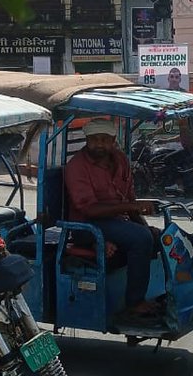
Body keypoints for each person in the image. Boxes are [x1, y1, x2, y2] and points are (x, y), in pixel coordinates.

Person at [64, 119, 161, 316]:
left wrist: (142, 223)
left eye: (104, 140)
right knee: (141, 238)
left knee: (158, 237)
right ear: (87, 140)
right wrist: (132, 210)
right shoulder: (76, 167)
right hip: (86, 225)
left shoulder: (120, 159)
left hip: (114, 221)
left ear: (113, 140)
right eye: (94, 140)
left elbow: (129, 197)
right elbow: (89, 209)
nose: (99, 144)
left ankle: (158, 293)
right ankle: (134, 302)